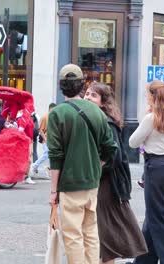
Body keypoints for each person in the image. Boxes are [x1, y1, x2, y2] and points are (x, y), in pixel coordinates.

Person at [47, 64, 117, 264]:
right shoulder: (97, 112)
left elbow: (55, 155)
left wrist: (53, 191)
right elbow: (110, 147)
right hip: (92, 182)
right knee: (90, 231)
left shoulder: (57, 113)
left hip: (70, 183)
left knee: (73, 235)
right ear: (81, 86)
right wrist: (97, 165)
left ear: (61, 86)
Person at [84, 83, 147, 264]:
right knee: (102, 233)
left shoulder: (106, 122)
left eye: (93, 95)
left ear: (103, 102)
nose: (88, 97)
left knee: (104, 232)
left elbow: (114, 156)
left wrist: (94, 170)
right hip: (102, 181)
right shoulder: (95, 119)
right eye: (87, 93)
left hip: (107, 184)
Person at [128, 80, 164, 264]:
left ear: (153, 96)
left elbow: (132, 142)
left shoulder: (151, 118)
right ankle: (144, 260)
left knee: (158, 218)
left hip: (155, 167)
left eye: (147, 95)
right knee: (157, 214)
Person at [30, 103, 57, 180]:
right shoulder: (45, 117)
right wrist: (45, 140)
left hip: (52, 139)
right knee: (47, 154)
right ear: (50, 109)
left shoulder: (54, 117)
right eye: (53, 110)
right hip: (46, 139)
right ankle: (35, 165)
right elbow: (40, 130)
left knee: (50, 154)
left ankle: (48, 168)